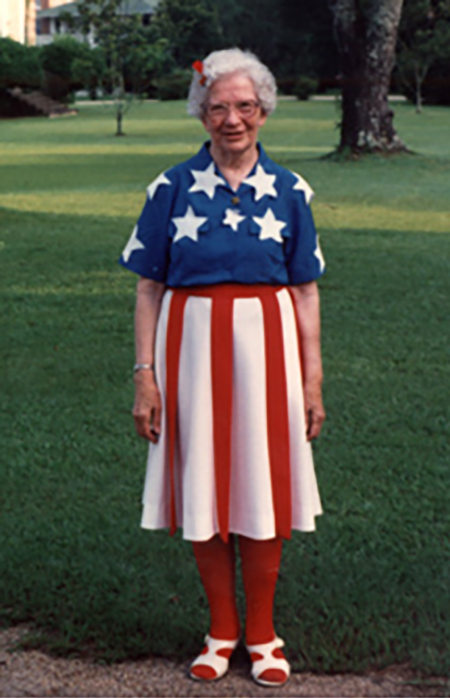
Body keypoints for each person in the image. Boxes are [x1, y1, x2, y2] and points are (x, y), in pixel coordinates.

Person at [119, 48, 326, 687]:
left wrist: (312, 378)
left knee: (262, 485)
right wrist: (145, 375)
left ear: (263, 110)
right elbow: (149, 287)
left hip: (268, 351)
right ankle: (221, 631)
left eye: (243, 106)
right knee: (204, 484)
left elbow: (306, 290)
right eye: (218, 107)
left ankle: (263, 635)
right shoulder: (171, 187)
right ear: (202, 115)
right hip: (190, 352)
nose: (231, 119)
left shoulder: (290, 191)